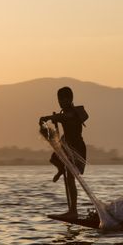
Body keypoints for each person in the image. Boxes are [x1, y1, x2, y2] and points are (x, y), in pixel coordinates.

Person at [39, 87, 88, 218]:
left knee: (71, 178)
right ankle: (61, 169)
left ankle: (73, 211)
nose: (61, 102)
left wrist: (50, 117)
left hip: (77, 149)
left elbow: (67, 117)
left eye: (64, 100)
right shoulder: (63, 113)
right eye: (59, 100)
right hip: (67, 147)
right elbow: (62, 117)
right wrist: (53, 119)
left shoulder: (73, 112)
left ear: (70, 99)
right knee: (54, 158)